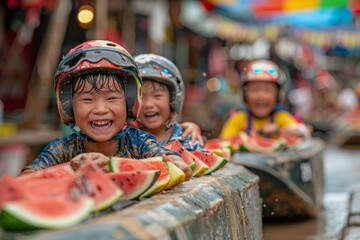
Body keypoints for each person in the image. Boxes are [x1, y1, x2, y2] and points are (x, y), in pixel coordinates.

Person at [19, 40, 191, 179]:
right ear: (69, 106)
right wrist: (70, 170)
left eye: (111, 98)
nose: (100, 109)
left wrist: (113, 166)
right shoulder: (61, 149)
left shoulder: (140, 142)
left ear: (129, 103)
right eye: (87, 99)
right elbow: (26, 179)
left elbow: (176, 165)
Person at [220, 60, 310, 140]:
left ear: (278, 95)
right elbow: (224, 141)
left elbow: (301, 133)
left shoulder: (281, 117)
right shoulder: (238, 118)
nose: (261, 96)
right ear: (245, 94)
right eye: (255, 90)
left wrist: (280, 131)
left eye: (268, 90)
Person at [134, 53, 204, 151]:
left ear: (172, 100)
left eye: (157, 96)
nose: (148, 104)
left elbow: (201, 162)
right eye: (140, 97)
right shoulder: (127, 140)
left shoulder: (187, 138)